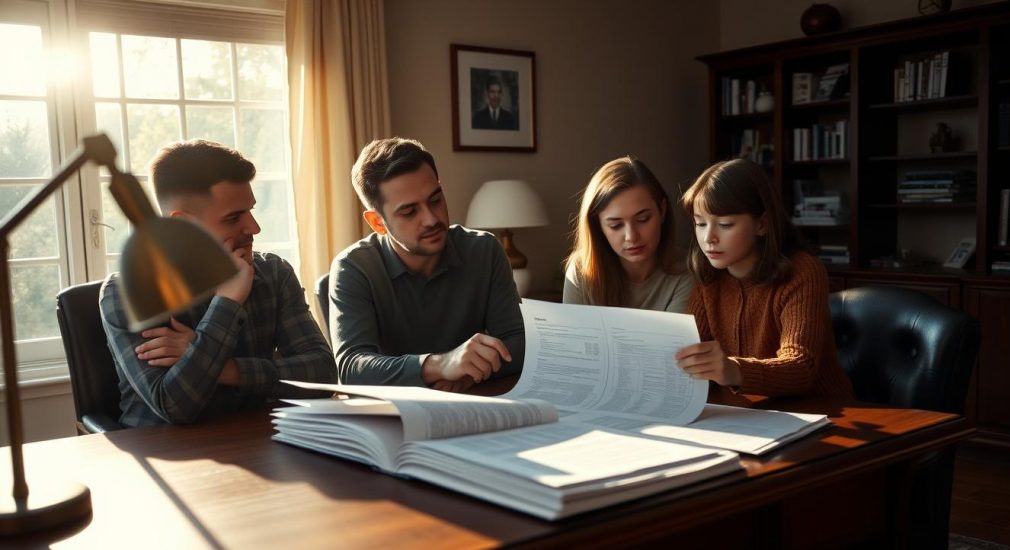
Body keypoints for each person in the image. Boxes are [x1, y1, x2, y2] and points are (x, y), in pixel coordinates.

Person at [100, 140, 337, 427]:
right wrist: (227, 303)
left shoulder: (273, 273)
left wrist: (226, 368)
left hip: (256, 443)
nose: (254, 227)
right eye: (233, 217)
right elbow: (173, 405)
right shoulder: (128, 292)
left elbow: (323, 375)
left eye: (250, 210)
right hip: (167, 455)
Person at [331, 137, 524, 391]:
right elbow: (352, 367)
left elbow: (520, 343)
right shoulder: (353, 268)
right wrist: (439, 366)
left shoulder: (484, 250)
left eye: (435, 200)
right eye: (409, 212)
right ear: (377, 222)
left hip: (471, 405)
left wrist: (470, 373)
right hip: (393, 418)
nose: (431, 219)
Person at [674, 158, 852, 398]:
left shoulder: (802, 272)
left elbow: (800, 367)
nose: (708, 238)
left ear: (762, 224)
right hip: (743, 422)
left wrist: (731, 369)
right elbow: (690, 359)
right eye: (700, 223)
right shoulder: (709, 279)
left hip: (820, 414)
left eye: (725, 225)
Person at [563, 156, 692, 312]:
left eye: (643, 219)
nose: (631, 236)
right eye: (616, 225)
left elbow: (676, 336)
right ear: (598, 226)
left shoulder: (686, 270)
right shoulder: (581, 271)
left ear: (662, 210)